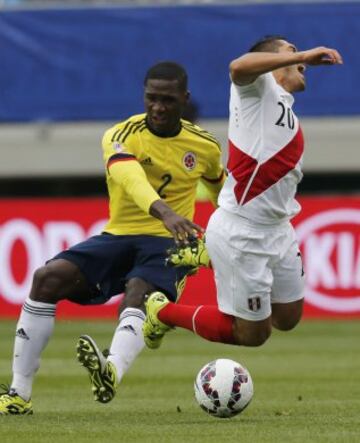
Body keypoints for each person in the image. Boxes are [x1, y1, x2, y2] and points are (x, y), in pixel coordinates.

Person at [0, 62, 225, 415]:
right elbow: (129, 175)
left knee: (136, 294)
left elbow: (221, 195)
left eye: (167, 99)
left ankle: (111, 372)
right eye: (151, 98)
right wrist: (164, 211)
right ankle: (18, 393)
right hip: (118, 235)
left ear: (185, 98)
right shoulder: (121, 134)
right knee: (46, 279)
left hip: (168, 244)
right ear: (144, 96)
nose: (158, 107)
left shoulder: (206, 147)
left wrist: (229, 235)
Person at [143, 37, 343, 350]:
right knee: (253, 334)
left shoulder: (285, 107)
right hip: (243, 230)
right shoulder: (257, 89)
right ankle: (161, 312)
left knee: (288, 317)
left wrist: (294, 56)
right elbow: (238, 66)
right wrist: (304, 53)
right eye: (291, 51)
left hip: (279, 228)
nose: (301, 61)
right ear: (272, 64)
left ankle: (207, 257)